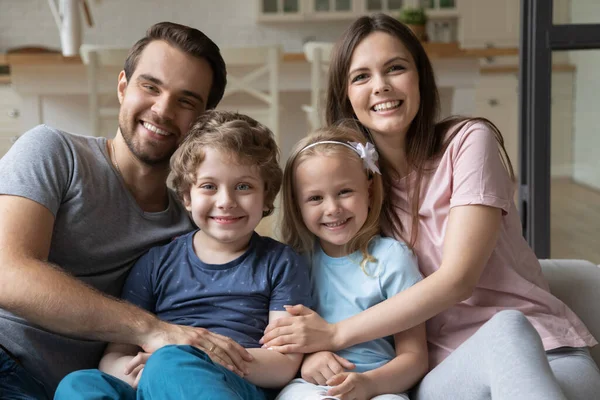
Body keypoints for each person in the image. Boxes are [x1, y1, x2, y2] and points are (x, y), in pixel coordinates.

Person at [260, 13, 600, 400]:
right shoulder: (357, 192)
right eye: (361, 77)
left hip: (548, 354)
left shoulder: (469, 141)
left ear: (420, 76)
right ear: (346, 96)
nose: (381, 86)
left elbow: (458, 279)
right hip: (448, 373)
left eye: (396, 68)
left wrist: (335, 334)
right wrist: (314, 351)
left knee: (507, 327)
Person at [0, 22, 256, 399]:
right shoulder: (54, 151)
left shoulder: (190, 231)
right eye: (150, 86)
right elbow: (7, 273)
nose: (162, 109)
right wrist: (149, 328)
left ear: (202, 123)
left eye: (186, 100)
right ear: (123, 86)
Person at [54, 110, 313, 399]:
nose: (226, 201)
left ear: (266, 196)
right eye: (209, 186)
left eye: (243, 186)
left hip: (231, 386)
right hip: (151, 380)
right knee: (78, 383)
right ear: (187, 197)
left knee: (171, 362)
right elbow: (114, 354)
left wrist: (201, 358)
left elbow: (283, 364)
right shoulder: (155, 263)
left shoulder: (281, 262)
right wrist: (133, 370)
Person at [274, 125, 427, 400]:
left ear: (368, 189)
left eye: (344, 191)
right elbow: (280, 341)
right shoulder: (292, 262)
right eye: (315, 198)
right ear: (297, 205)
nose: (332, 208)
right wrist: (308, 359)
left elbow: (414, 357)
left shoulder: (393, 258)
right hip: (311, 386)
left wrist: (369, 384)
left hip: (381, 386)